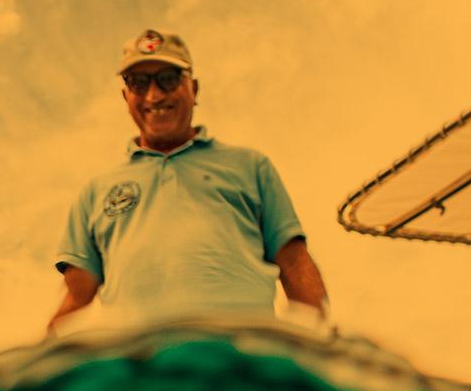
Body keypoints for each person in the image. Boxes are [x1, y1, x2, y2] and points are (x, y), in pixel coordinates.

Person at [47, 28, 327, 332]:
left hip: (243, 357)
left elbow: (295, 263)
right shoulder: (95, 192)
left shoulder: (251, 167)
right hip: (140, 367)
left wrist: (322, 343)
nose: (154, 95)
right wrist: (40, 368)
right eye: (138, 83)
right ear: (125, 96)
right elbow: (76, 297)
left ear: (194, 88)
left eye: (168, 78)